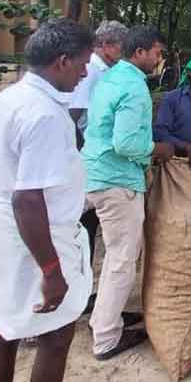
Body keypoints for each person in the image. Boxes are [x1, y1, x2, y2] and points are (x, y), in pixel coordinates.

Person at [0, 18, 94, 382]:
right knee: (57, 337)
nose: (85, 72)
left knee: (6, 328)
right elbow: (27, 199)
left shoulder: (9, 100)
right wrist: (51, 270)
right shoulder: (43, 115)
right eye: (82, 63)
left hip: (3, 234)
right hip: (34, 240)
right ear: (62, 62)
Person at [81, 26, 175, 361]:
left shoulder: (110, 77)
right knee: (122, 258)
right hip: (117, 181)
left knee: (106, 256)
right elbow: (127, 143)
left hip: (90, 171)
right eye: (157, 52)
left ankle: (103, 316)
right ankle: (106, 337)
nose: (159, 59)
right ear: (141, 53)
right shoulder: (134, 86)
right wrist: (157, 149)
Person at [68, 20, 128, 316]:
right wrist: (85, 156)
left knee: (89, 228)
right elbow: (75, 117)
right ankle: (74, 296)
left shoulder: (106, 71)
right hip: (87, 162)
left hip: (94, 161)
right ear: (106, 45)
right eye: (120, 45)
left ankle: (84, 294)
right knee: (80, 231)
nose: (123, 50)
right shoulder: (90, 71)